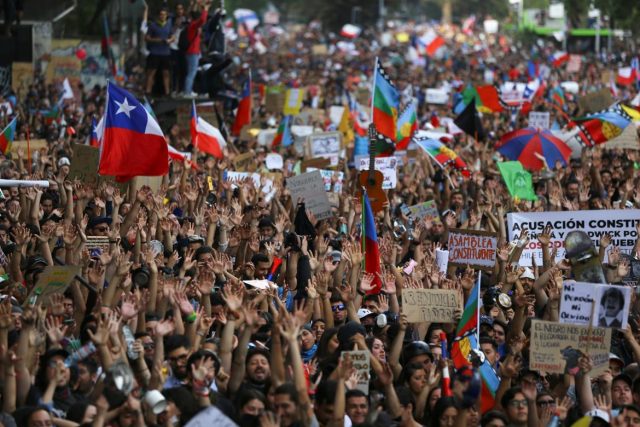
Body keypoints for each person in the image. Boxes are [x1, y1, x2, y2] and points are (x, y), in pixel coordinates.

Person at [145, 7, 174, 96]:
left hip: (165, 53)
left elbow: (172, 36)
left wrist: (170, 40)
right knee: (152, 72)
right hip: (155, 52)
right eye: (161, 14)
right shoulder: (153, 25)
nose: (163, 16)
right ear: (158, 16)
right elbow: (146, 38)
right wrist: (156, 40)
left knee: (166, 73)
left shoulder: (169, 25)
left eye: (164, 15)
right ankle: (148, 91)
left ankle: (167, 92)